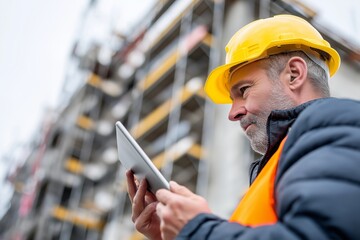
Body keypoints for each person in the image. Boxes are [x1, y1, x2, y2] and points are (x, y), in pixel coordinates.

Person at [126, 14, 360, 240]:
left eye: (244, 90)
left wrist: (198, 231)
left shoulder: (337, 124)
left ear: (294, 74)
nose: (232, 113)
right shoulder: (277, 167)